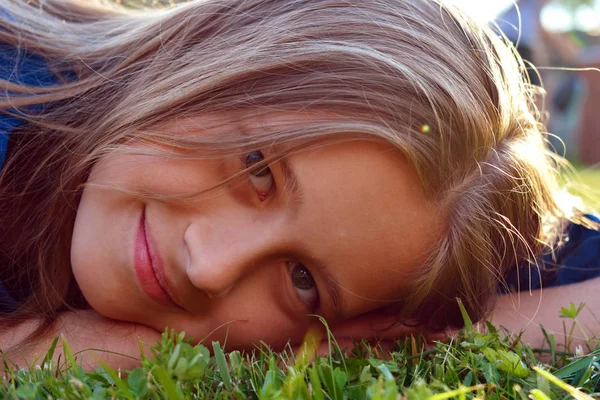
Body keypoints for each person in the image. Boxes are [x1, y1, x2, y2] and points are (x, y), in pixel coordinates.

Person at [0, 0, 598, 371]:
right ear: (218, 55)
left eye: (303, 282)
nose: (210, 267)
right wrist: (43, 347)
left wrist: (418, 342)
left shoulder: (405, 233)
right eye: (257, 168)